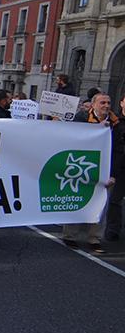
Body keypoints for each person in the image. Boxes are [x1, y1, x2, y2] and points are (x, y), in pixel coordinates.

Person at [62, 93, 119, 253]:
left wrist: (113, 173)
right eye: (102, 103)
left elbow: (118, 151)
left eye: (108, 102)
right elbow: (71, 139)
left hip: (105, 170)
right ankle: (70, 235)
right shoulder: (81, 118)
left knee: (100, 206)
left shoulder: (116, 123)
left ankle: (94, 238)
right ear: (93, 105)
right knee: (77, 200)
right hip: (83, 166)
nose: (106, 106)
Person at [106, 93, 125, 241]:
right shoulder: (114, 121)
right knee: (115, 200)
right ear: (122, 103)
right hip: (118, 166)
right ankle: (113, 229)